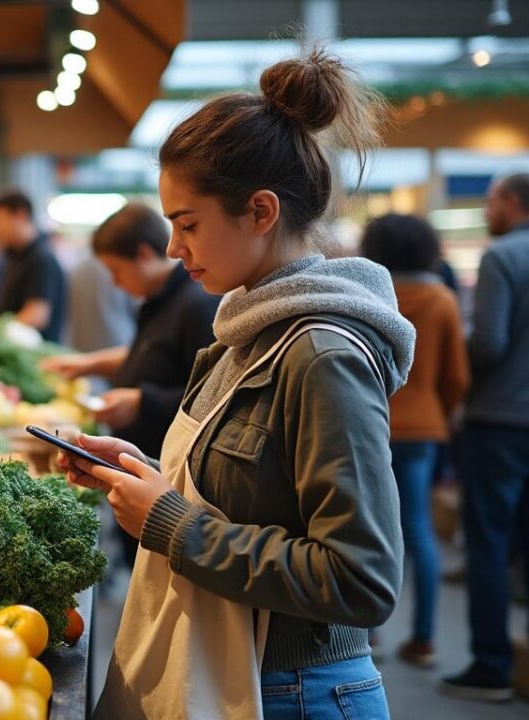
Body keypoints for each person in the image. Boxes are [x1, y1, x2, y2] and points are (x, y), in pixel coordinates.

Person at [62, 49, 412, 719]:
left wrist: (172, 524)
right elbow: (254, 493)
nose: (172, 248)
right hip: (236, 671)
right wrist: (133, 470)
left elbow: (361, 578)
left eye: (187, 224)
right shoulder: (248, 329)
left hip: (293, 692)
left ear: (259, 211)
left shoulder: (319, 353)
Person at [43, 204, 218, 567]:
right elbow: (148, 355)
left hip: (169, 484)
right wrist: (89, 363)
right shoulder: (156, 302)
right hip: (144, 465)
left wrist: (142, 401)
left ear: (143, 254)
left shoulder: (197, 305)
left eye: (116, 270)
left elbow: (210, 400)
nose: (114, 282)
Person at [361, 214, 469, 669]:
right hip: (423, 430)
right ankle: (423, 640)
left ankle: (368, 637)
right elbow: (456, 377)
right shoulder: (442, 299)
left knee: (366, 529)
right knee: (419, 530)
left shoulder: (365, 294)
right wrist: (436, 416)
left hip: (367, 426)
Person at [441, 172, 529, 703]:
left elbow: (489, 343)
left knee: (489, 543)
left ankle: (493, 666)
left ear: (513, 203)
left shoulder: (502, 257)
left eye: (492, 199)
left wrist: (458, 344)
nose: (487, 208)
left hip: (499, 420)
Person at [0, 190, 66, 342]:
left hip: (35, 355)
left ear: (20, 215)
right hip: (10, 346)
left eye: (0, 220)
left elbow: (37, 316)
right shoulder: (12, 256)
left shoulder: (41, 259)